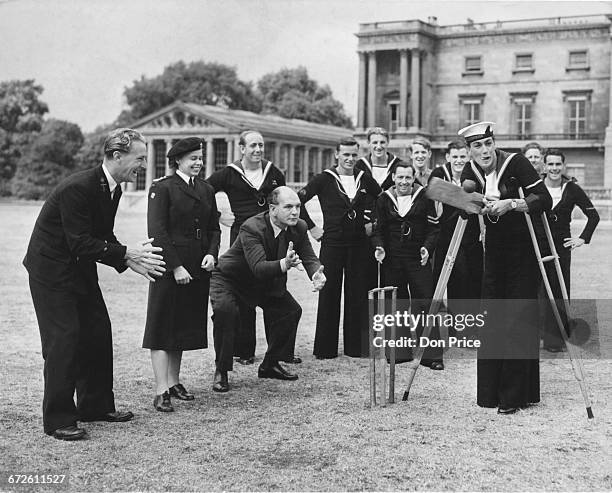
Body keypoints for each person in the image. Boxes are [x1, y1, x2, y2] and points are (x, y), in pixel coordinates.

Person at [23, 128, 166, 440]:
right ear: (116, 156)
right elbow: (80, 243)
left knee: (98, 331)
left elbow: (103, 237)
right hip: (51, 271)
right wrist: (127, 253)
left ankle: (96, 406)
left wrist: (131, 261)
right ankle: (59, 418)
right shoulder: (79, 187)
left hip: (78, 268)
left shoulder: (111, 188)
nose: (142, 165)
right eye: (139, 158)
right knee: (65, 338)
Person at [459, 121, 552, 415]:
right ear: (470, 150)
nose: (484, 151)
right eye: (477, 146)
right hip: (494, 254)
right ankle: (489, 392)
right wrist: (475, 204)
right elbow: (463, 204)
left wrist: (513, 203)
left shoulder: (516, 162)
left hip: (523, 250)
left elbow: (544, 199)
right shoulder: (470, 171)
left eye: (488, 144)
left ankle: (514, 395)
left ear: (494, 143)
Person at [209, 186, 326, 392]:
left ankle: (270, 364)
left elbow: (308, 256)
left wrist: (316, 273)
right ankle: (222, 370)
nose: (295, 212)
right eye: (288, 207)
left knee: (290, 311)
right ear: (273, 209)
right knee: (226, 312)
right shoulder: (251, 227)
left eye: (298, 206)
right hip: (230, 280)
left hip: (262, 282)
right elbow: (259, 267)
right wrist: (284, 264)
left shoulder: (299, 227)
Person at [143, 137, 221, 412]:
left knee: (183, 326)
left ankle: (174, 382)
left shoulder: (206, 189)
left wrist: (212, 252)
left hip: (198, 265)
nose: (198, 163)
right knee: (163, 327)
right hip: (169, 266)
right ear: (178, 160)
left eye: (200, 158)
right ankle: (160, 389)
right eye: (193, 159)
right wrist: (175, 266)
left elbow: (214, 227)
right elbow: (157, 231)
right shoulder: (162, 188)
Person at [206, 130, 290, 366]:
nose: (258, 150)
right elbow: (202, 193)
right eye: (252, 145)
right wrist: (219, 215)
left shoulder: (274, 172)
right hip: (241, 236)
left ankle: (279, 351)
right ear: (242, 148)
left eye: (261, 145)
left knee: (275, 286)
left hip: (271, 234)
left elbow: (284, 201)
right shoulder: (228, 173)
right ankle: (244, 350)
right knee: (244, 290)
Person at [298, 137, 381, 359]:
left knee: (357, 294)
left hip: (358, 244)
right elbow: (298, 201)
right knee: (329, 292)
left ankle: (356, 347)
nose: (350, 159)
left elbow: (382, 200)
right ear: (337, 154)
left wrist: (371, 222)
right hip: (332, 243)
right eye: (345, 154)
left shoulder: (364, 178)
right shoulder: (324, 178)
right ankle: (325, 348)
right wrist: (312, 228)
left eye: (354, 155)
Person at [372, 162, 443, 368]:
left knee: (426, 302)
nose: (404, 182)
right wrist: (379, 247)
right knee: (395, 303)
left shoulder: (424, 197)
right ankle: (398, 351)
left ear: (414, 179)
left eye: (408, 178)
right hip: (392, 259)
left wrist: (427, 248)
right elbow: (377, 230)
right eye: (400, 177)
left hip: (417, 258)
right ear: (393, 177)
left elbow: (434, 229)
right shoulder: (383, 199)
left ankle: (432, 356)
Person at [540, 149, 599, 352]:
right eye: (551, 164)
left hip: (562, 247)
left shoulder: (572, 188)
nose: (554, 168)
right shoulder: (536, 187)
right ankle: (536, 334)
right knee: (537, 289)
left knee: (559, 291)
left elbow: (593, 216)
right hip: (537, 245)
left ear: (563, 166)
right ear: (544, 166)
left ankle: (555, 340)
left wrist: (582, 238)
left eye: (558, 164)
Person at [429, 140, 483, 338]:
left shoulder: (475, 173)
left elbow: (480, 202)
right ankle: (449, 330)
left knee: (471, 282)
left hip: (471, 236)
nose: (459, 160)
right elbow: (435, 193)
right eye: (456, 157)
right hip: (445, 237)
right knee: (450, 282)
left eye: (463, 156)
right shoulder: (439, 174)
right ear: (448, 157)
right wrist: (469, 199)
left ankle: (467, 329)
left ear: (468, 156)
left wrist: (468, 199)